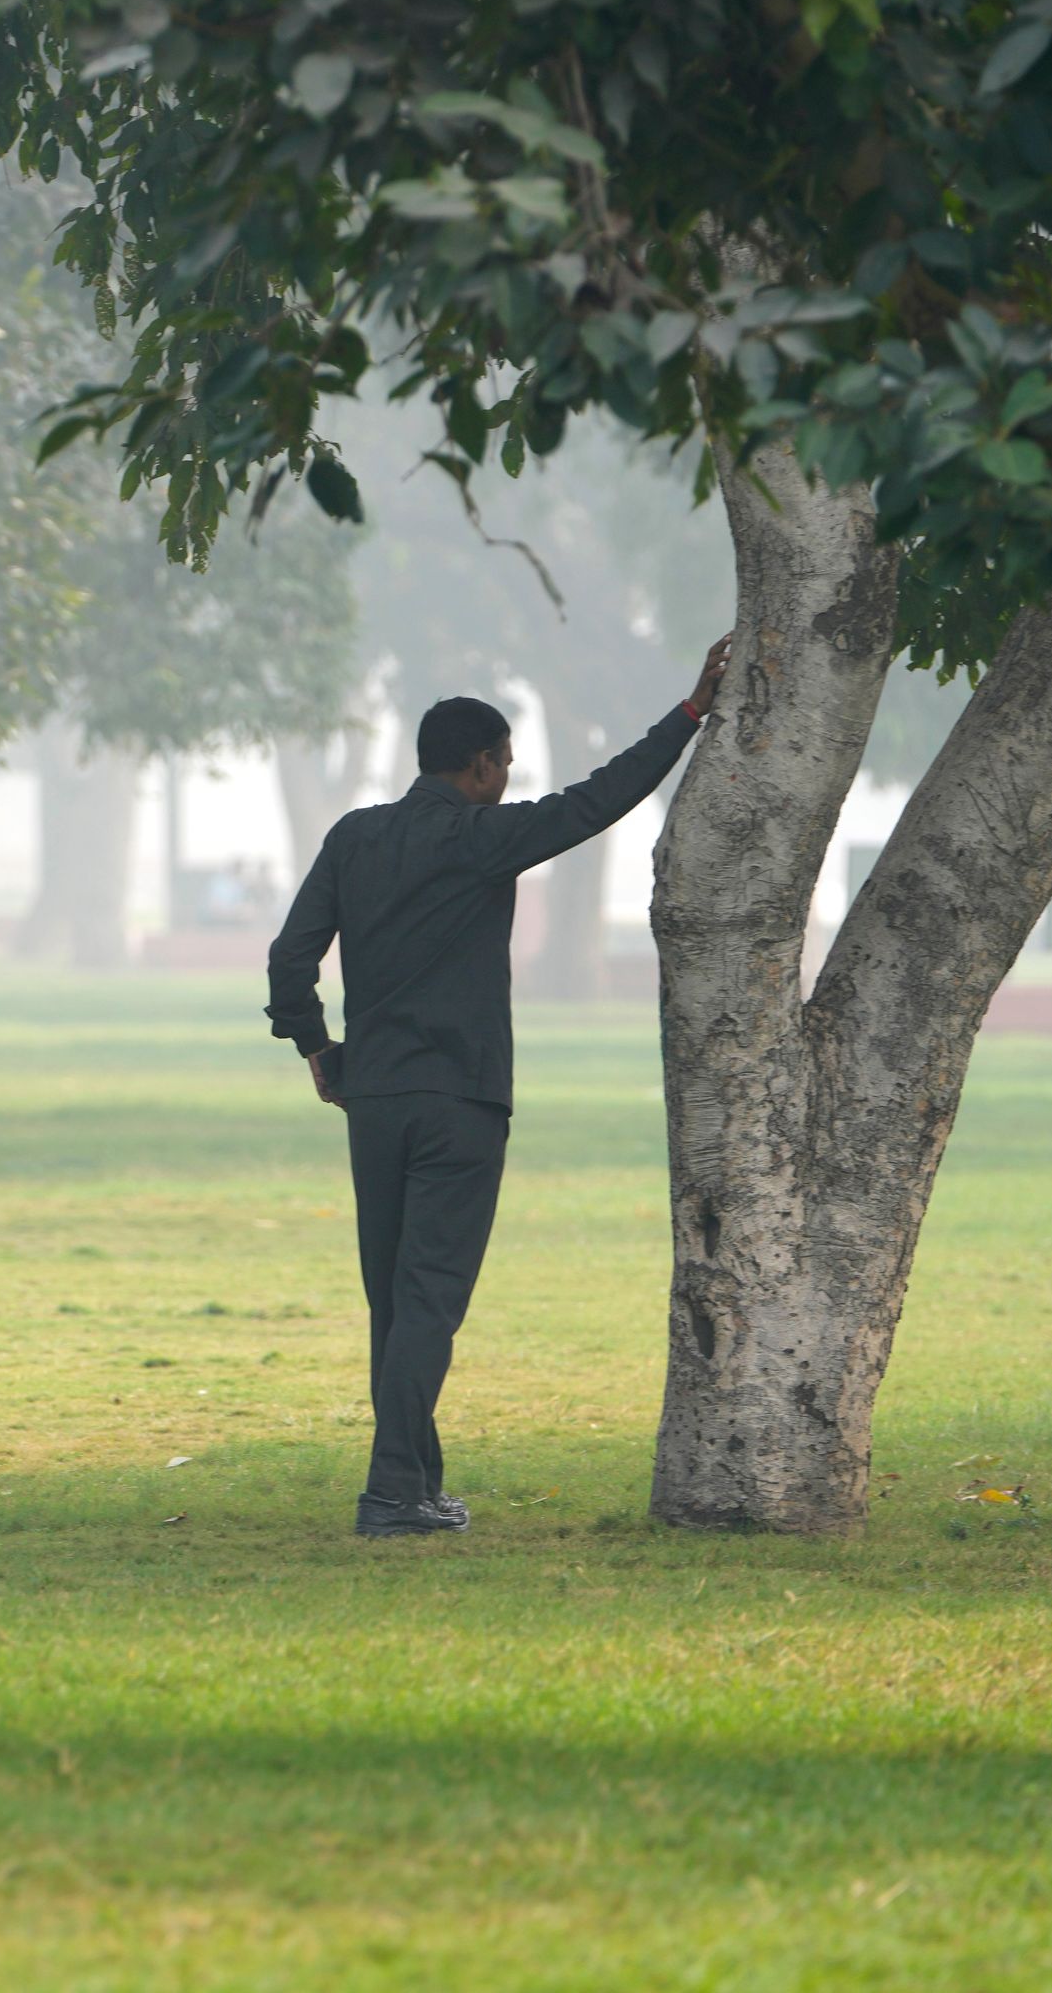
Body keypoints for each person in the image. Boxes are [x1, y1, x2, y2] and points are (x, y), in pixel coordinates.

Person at [269, 636, 734, 1539]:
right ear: (480, 767)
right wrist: (688, 716)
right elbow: (597, 801)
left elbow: (292, 956)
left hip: (375, 1101)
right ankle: (391, 1494)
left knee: (397, 1302)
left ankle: (415, 1485)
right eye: (505, 766)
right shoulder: (484, 839)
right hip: (461, 1101)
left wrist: (317, 1048)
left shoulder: (353, 837)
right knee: (431, 1299)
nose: (508, 781)